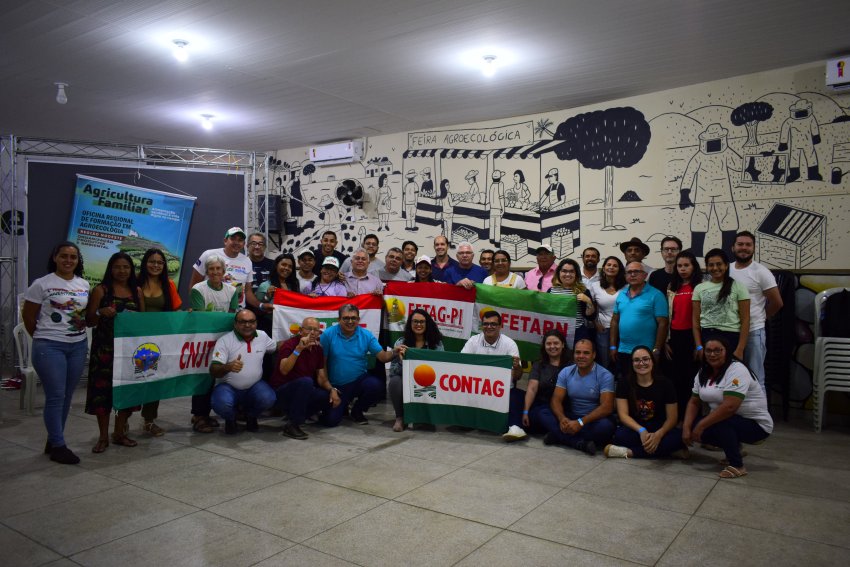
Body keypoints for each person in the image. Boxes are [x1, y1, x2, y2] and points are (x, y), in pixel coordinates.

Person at [22, 241, 89, 464]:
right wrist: (45, 337)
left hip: (78, 345)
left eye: (73, 257)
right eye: (64, 256)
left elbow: (83, 314)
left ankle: (54, 439)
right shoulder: (41, 284)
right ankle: (59, 446)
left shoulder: (83, 284)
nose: (68, 260)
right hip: (49, 346)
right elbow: (29, 317)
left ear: (78, 260)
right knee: (55, 396)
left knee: (67, 396)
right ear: (55, 258)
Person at [682, 337, 773, 478]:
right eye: (708, 351)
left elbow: (730, 407)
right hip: (730, 420)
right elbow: (694, 402)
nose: (712, 354)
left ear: (727, 351)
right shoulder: (703, 372)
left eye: (718, 350)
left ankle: (737, 465)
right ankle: (734, 447)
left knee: (719, 422)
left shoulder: (737, 369)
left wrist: (701, 425)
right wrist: (687, 427)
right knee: (695, 425)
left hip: (756, 425)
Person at [85, 252, 145, 453]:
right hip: (104, 351)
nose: (122, 271)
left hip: (129, 350)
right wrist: (101, 313)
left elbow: (143, 321)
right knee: (102, 394)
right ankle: (103, 437)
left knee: (127, 391)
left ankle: (120, 433)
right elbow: (89, 320)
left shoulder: (137, 291)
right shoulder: (100, 290)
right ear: (111, 269)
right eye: (118, 267)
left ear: (131, 270)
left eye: (126, 267)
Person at [319, 304, 399, 426]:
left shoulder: (366, 335)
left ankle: (357, 411)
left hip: (358, 381)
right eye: (346, 318)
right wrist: (330, 388)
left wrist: (395, 352)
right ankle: (341, 405)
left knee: (375, 385)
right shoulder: (327, 335)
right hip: (336, 386)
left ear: (358, 319)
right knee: (330, 421)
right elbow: (322, 364)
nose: (350, 321)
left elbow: (383, 357)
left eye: (353, 318)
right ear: (339, 319)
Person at [605, 346, 687, 459]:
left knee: (679, 437)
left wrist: (659, 434)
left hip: (660, 428)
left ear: (652, 361)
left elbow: (672, 419)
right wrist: (641, 430)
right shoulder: (624, 383)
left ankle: (629, 452)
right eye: (636, 360)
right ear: (632, 364)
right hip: (636, 428)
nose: (641, 363)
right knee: (619, 436)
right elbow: (623, 415)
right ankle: (668, 452)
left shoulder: (666, 383)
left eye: (645, 359)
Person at [269, 317, 340, 439]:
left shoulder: (318, 349)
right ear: (301, 331)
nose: (312, 333)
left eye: (316, 330)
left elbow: (321, 377)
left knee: (327, 396)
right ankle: (293, 424)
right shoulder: (289, 345)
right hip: (281, 391)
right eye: (309, 329)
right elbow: (284, 370)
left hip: (303, 391)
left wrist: (332, 390)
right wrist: (299, 349)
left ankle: (295, 416)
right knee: (306, 382)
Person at [729, 231, 783, 390]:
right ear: (733, 247)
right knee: (732, 378)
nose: (744, 248)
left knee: (755, 378)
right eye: (740, 244)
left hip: (754, 331)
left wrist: (761, 317)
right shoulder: (727, 269)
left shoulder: (761, 272)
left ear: (753, 248)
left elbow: (777, 302)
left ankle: (759, 408)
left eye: (748, 245)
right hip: (731, 331)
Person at [209, 310, 278, 434]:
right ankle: (231, 419)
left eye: (251, 322)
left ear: (256, 323)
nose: (247, 325)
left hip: (254, 386)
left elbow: (276, 347)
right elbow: (213, 370)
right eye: (243, 322)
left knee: (268, 398)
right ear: (235, 324)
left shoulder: (262, 336)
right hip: (228, 387)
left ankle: (251, 416)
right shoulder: (225, 341)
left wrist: (297, 340)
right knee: (221, 403)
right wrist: (227, 367)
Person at [543, 339, 615, 455]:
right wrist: (562, 418)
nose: (581, 356)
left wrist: (581, 422)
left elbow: (607, 407)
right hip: (571, 417)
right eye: (578, 352)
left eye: (586, 353)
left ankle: (559, 436)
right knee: (543, 412)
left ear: (594, 355)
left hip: (592, 420)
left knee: (606, 427)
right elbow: (556, 399)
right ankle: (579, 443)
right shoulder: (566, 372)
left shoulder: (605, 375)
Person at [138, 248, 182, 437]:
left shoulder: (168, 285)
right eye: (152, 261)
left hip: (159, 341)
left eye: (159, 262)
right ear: (145, 263)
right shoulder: (135, 282)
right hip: (135, 339)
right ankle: (121, 421)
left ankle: (149, 420)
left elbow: (175, 311)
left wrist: (188, 316)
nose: (156, 265)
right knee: (132, 379)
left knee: (153, 380)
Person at [461, 310, 525, 440]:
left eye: (493, 324)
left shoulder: (509, 344)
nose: (489, 327)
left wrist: (517, 366)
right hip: (477, 388)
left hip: (501, 390)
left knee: (516, 395)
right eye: (485, 324)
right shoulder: (473, 341)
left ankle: (515, 427)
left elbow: (517, 376)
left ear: (500, 326)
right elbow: (461, 364)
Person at [388, 308, 444, 432]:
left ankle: (426, 417)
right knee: (395, 382)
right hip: (406, 380)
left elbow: (441, 369)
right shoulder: (401, 343)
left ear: (427, 324)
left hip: (428, 380)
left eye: (422, 322)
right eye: (415, 321)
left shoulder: (436, 344)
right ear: (410, 323)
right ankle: (400, 418)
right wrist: (402, 362)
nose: (418, 324)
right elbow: (392, 372)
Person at [610, 261, 668, 375]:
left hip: (647, 351)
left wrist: (657, 349)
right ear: (625, 276)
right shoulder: (621, 294)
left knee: (646, 381)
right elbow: (615, 321)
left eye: (636, 271)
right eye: (629, 272)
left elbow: (663, 323)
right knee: (626, 381)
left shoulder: (656, 295)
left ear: (645, 275)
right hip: (623, 350)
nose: (632, 274)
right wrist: (612, 346)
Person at [693, 248, 750, 361]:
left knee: (731, 371)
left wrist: (740, 349)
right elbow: (695, 321)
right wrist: (699, 346)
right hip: (707, 336)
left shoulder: (739, 287)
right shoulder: (699, 288)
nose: (715, 268)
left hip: (731, 337)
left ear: (726, 265)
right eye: (711, 265)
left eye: (719, 264)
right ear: (707, 267)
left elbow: (746, 320)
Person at [665, 250, 703, 418]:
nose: (682, 269)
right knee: (676, 379)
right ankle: (678, 417)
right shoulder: (672, 287)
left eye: (686, 265)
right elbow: (668, 315)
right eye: (679, 266)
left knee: (692, 380)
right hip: (675, 336)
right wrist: (665, 341)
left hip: (692, 337)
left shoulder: (700, 286)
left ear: (694, 266)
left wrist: (699, 344)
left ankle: (693, 418)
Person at [190, 227, 259, 310]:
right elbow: (194, 286)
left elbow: (248, 291)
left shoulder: (247, 261)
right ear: (225, 241)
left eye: (240, 240)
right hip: (209, 310)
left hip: (237, 311)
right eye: (233, 239)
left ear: (244, 244)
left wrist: (261, 305)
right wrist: (196, 307)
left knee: (247, 316)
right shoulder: (208, 254)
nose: (236, 242)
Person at [521, 330, 572, 433]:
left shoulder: (572, 365)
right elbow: (532, 389)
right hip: (542, 407)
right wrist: (525, 412)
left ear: (563, 345)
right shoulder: (538, 365)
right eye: (548, 344)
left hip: (563, 408)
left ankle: (557, 434)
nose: (552, 346)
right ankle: (562, 435)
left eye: (556, 343)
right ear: (544, 346)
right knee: (542, 416)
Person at [588, 256, 625, 369]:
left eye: (615, 266)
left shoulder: (627, 287)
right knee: (605, 361)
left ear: (619, 269)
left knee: (621, 360)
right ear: (603, 268)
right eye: (609, 265)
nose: (611, 267)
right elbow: (591, 307)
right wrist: (595, 324)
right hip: (603, 328)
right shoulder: (595, 286)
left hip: (622, 328)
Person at [548, 258, 595, 342]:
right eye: (564, 271)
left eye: (571, 271)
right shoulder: (551, 291)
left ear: (576, 274)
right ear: (559, 273)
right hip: (556, 333)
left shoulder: (583, 291)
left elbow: (590, 317)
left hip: (577, 333)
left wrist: (588, 301)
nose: (568, 274)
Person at [257, 253, 300, 333]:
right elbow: (257, 310)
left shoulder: (293, 285)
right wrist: (267, 296)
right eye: (283, 265)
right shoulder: (265, 286)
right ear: (276, 265)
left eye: (290, 266)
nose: (287, 268)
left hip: (289, 326)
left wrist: (309, 298)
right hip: (270, 326)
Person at [488, 169, 506, 246]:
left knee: (492, 225)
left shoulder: (492, 185)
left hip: (492, 208)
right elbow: (501, 197)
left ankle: (491, 239)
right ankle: (497, 241)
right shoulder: (500, 184)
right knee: (497, 226)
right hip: (498, 208)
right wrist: (503, 208)